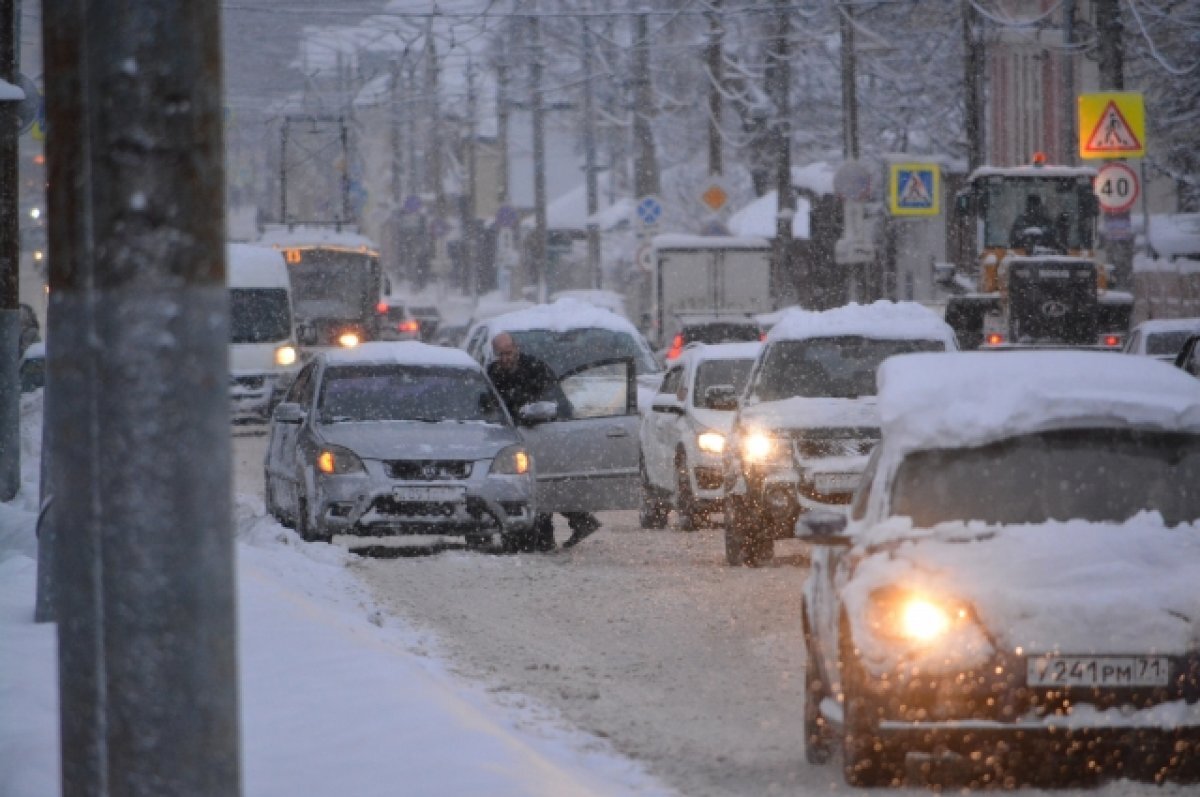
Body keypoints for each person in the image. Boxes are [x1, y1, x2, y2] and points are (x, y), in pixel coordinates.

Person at [486, 332, 601, 552]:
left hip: (542, 433)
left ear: (516, 349)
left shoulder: (535, 369)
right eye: (501, 355)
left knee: (541, 483)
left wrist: (535, 412)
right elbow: (487, 404)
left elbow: (556, 402)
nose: (506, 359)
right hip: (509, 439)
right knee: (530, 485)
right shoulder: (493, 374)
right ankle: (571, 524)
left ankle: (550, 535)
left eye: (509, 353)